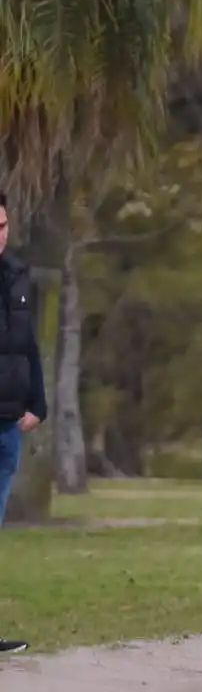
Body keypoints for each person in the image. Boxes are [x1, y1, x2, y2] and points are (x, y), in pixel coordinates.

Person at [0, 192, 42, 655]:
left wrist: (39, 403)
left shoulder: (17, 277)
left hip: (8, 424)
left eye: (3, 226)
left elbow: (28, 346)